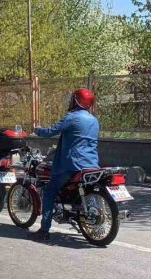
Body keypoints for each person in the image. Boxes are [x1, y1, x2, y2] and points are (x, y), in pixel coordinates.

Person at [29, 88, 99, 242]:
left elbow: (51, 131)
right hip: (92, 164)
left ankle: (44, 230)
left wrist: (37, 130)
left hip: (71, 164)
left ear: (75, 100)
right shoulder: (94, 120)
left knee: (49, 191)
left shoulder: (72, 117)